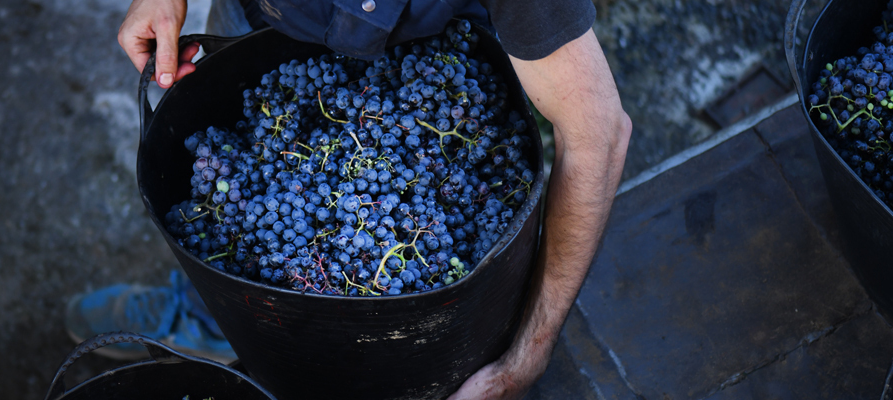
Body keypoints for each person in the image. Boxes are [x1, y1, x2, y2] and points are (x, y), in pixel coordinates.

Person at [70, 0, 632, 397]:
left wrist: (525, 358)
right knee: (235, 257)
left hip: (440, 54)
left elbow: (598, 133)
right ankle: (206, 318)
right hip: (263, 16)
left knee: (431, 333)